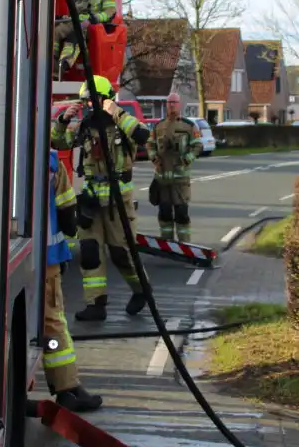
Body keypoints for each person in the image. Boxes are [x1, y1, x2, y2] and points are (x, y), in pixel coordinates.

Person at [51, 74, 150, 322]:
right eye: (85, 102)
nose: (88, 106)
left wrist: (116, 111)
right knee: (90, 251)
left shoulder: (122, 124)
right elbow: (58, 142)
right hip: (92, 202)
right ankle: (96, 304)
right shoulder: (85, 127)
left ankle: (141, 291)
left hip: (118, 205)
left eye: (93, 101)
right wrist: (64, 120)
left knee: (121, 253)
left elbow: (142, 135)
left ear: (106, 100)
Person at [40, 147, 103, 411]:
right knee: (52, 324)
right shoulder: (51, 161)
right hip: (46, 258)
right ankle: (67, 388)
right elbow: (67, 213)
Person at [146, 92, 203, 241]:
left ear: (179, 105)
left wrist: (186, 160)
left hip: (180, 180)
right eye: (169, 102)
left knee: (181, 213)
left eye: (174, 102)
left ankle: (185, 245)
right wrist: (153, 158)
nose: (171, 105)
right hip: (162, 179)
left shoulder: (189, 126)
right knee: (164, 213)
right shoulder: (158, 126)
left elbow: (197, 146)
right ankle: (167, 243)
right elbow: (150, 145)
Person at [53, 0, 118, 74]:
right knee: (55, 31)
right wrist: (63, 17)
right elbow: (69, 9)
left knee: (76, 34)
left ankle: (64, 64)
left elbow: (110, 12)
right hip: (72, 22)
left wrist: (94, 19)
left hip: (90, 26)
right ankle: (52, 62)